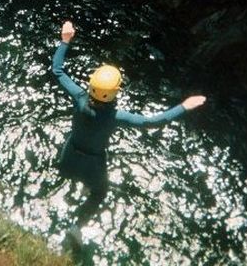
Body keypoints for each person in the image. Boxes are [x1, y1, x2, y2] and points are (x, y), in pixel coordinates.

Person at [52, 21, 206, 245]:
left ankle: (77, 184)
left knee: (72, 173)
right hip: (94, 164)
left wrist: (65, 39)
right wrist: (184, 106)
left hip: (69, 156)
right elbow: (153, 121)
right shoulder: (116, 117)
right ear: (114, 92)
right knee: (99, 193)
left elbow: (57, 70)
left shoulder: (79, 97)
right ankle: (75, 228)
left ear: (91, 84)